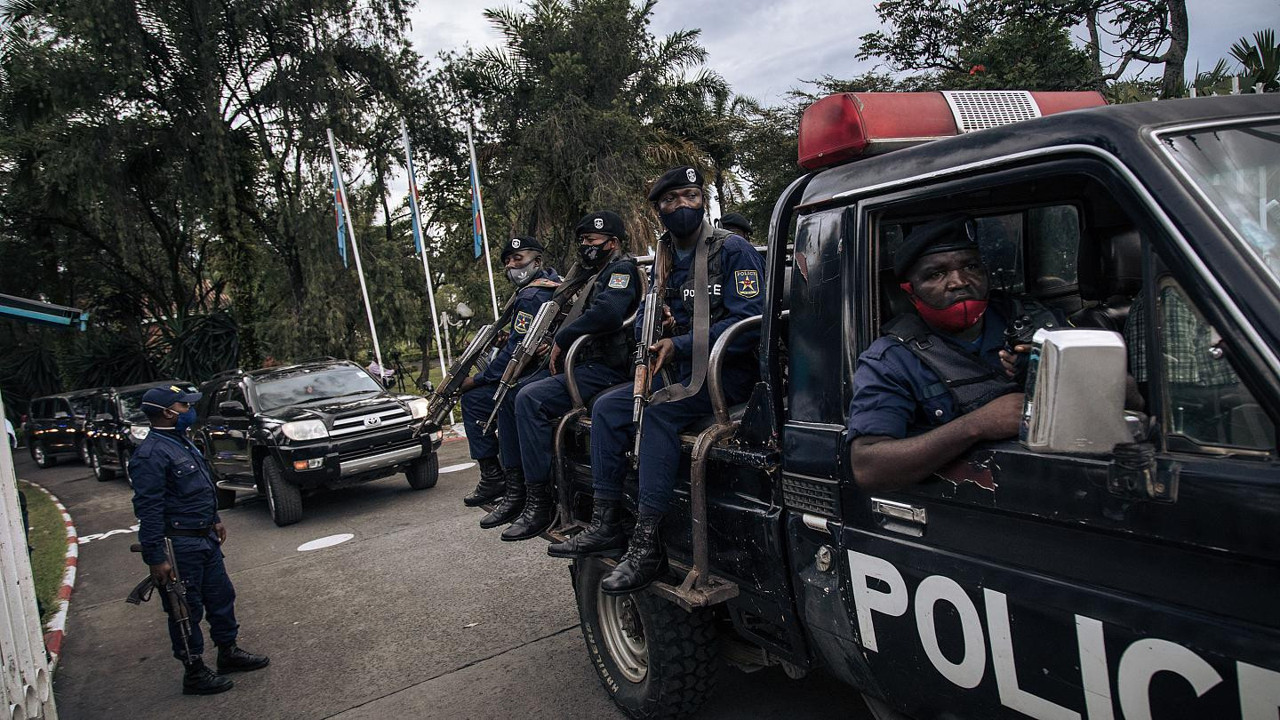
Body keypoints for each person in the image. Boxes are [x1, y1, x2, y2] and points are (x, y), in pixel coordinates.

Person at [547, 166, 766, 595]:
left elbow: (751, 324)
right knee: (609, 407)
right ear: (658, 211)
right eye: (670, 200)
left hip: (728, 373)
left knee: (659, 412)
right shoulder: (665, 255)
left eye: (689, 195)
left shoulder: (732, 250)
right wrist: (657, 330)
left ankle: (647, 544)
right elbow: (656, 316)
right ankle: (607, 521)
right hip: (682, 371)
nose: (682, 205)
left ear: (703, 201)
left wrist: (679, 345)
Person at [845, 215, 1064, 493]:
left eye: (971, 266)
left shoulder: (1034, 321)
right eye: (936, 274)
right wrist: (977, 425)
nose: (959, 281)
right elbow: (868, 466)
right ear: (911, 293)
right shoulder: (892, 361)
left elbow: (1126, 394)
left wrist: (1050, 370)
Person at [487, 210, 643, 538]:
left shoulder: (621, 270)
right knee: (512, 393)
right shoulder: (588, 275)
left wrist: (563, 338)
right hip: (583, 365)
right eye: (582, 241)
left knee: (531, 399)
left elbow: (610, 312)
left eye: (591, 241)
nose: (585, 247)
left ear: (611, 243)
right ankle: (519, 491)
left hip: (607, 369)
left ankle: (541, 501)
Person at [129, 384, 269, 695]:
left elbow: (200, 487)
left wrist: (215, 519)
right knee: (184, 610)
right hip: (179, 546)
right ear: (168, 412)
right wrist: (155, 557)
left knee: (221, 597)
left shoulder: (181, 442)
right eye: (183, 406)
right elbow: (149, 509)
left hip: (203, 536)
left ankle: (228, 651)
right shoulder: (151, 454)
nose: (189, 410)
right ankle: (194, 671)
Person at [460, 236, 562, 508]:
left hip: (535, 371)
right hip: (538, 367)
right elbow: (520, 340)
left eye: (518, 258)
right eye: (507, 261)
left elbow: (515, 354)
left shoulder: (531, 294)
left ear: (537, 261)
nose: (511, 265)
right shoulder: (551, 284)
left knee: (476, 399)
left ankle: (501, 479)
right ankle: (502, 479)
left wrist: (476, 379)